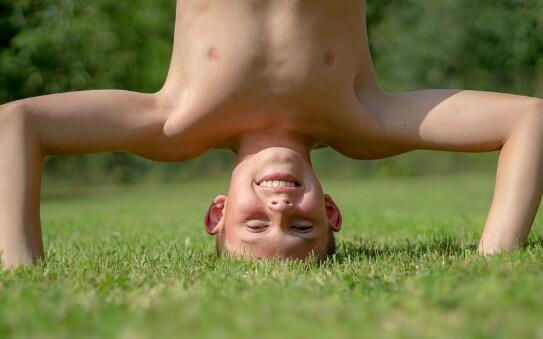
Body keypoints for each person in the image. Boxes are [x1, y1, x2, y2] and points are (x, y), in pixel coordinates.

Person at [1, 0, 542, 268]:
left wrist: (22, 273)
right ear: (330, 211)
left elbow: (19, 121)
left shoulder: (175, 123)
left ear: (217, 213)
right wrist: (494, 258)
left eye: (255, 224)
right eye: (302, 226)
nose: (280, 206)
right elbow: (530, 119)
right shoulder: (363, 121)